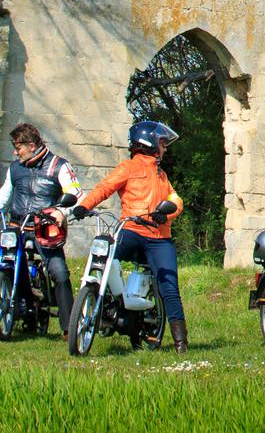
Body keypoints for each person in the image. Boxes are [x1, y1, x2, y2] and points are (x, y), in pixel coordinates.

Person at [71, 120, 189, 352]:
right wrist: (84, 206)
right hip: (132, 230)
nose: (165, 148)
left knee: (169, 286)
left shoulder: (162, 174)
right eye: (163, 143)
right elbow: (105, 187)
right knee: (105, 257)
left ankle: (180, 342)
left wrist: (166, 215)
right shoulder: (129, 167)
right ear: (151, 143)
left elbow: (176, 200)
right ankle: (111, 302)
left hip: (158, 237)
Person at [0, 123, 81, 333]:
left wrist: (62, 212)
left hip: (44, 228)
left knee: (59, 272)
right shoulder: (15, 168)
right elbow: (1, 202)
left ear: (32, 146)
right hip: (17, 226)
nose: (15, 152)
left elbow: (78, 197)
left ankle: (68, 328)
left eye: (18, 147)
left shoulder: (60, 166)